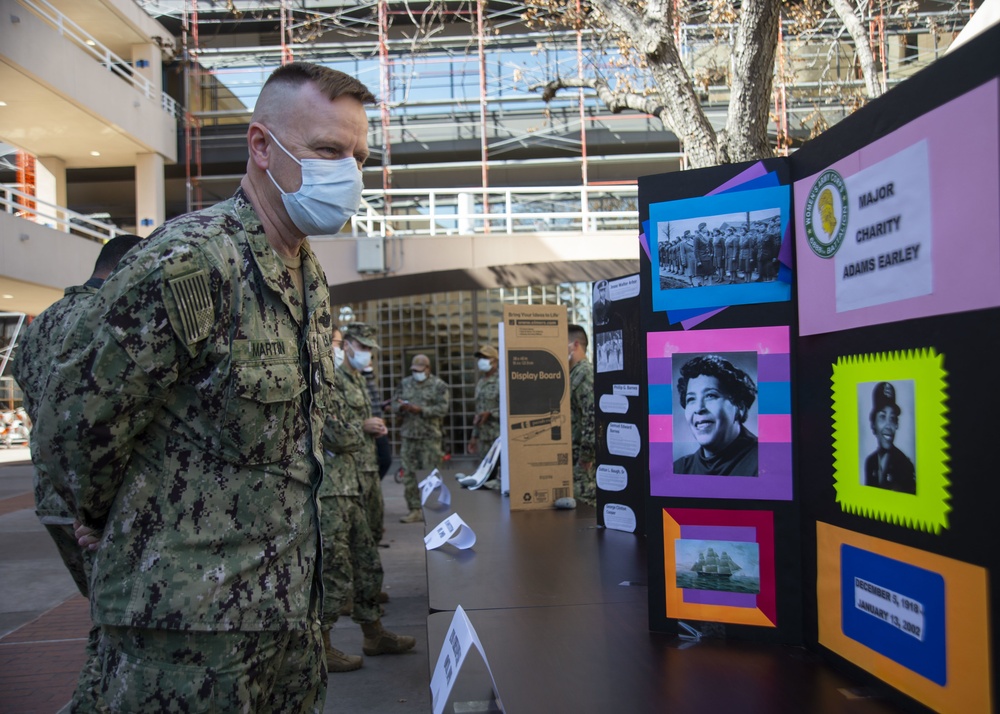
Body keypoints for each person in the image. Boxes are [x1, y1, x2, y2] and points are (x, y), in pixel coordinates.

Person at [30, 62, 375, 712]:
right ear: (261, 146)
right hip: (184, 634)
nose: (348, 173)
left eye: (358, 156)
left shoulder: (307, 277)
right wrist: (100, 515)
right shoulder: (189, 263)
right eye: (329, 151)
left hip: (286, 618)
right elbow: (74, 422)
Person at [10, 232, 142, 713]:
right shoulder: (110, 316)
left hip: (53, 497)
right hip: (100, 500)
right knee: (118, 626)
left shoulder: (42, 322)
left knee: (106, 615)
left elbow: (34, 399)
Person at [319, 323, 414, 672]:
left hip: (353, 482)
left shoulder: (352, 379)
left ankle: (373, 632)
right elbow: (334, 432)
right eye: (338, 343)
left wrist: (360, 428)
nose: (341, 348)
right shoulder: (319, 378)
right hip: (331, 487)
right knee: (335, 569)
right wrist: (361, 428)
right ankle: (323, 646)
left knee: (367, 561)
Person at [673, 355, 758, 476]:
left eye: (710, 395)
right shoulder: (680, 469)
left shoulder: (765, 463)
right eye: (691, 399)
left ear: (740, 407)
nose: (699, 409)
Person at [391, 354, 450, 523]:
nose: (416, 373)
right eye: (414, 370)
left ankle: (432, 509)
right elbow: (394, 404)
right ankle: (414, 509)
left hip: (429, 437)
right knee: (409, 475)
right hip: (409, 436)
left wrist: (421, 410)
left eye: (419, 370)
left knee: (431, 475)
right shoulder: (405, 383)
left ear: (428, 369)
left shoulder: (439, 386)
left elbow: (443, 408)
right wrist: (402, 407)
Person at [556, 324, 596, 509]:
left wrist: (586, 455)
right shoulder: (573, 374)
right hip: (573, 457)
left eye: (561, 343)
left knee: (583, 507)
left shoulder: (584, 373)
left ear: (575, 345)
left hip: (583, 463)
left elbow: (592, 415)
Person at [862, 382, 916, 493]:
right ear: (873, 424)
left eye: (892, 418)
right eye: (882, 417)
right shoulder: (870, 462)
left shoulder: (905, 466)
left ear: (896, 424)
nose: (888, 426)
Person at [468, 344, 501, 485]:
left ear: (494, 360)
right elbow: (478, 411)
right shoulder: (481, 382)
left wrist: (491, 413)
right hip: (483, 438)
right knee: (485, 478)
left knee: (501, 478)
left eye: (485, 357)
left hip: (498, 438)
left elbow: (509, 409)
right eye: (480, 358)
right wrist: (474, 437)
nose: (481, 360)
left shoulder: (502, 380)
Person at [363, 365, 394, 479]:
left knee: (385, 460)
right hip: (366, 429)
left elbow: (371, 402)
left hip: (378, 428)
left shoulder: (370, 378)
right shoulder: (355, 380)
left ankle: (374, 482)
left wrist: (381, 406)